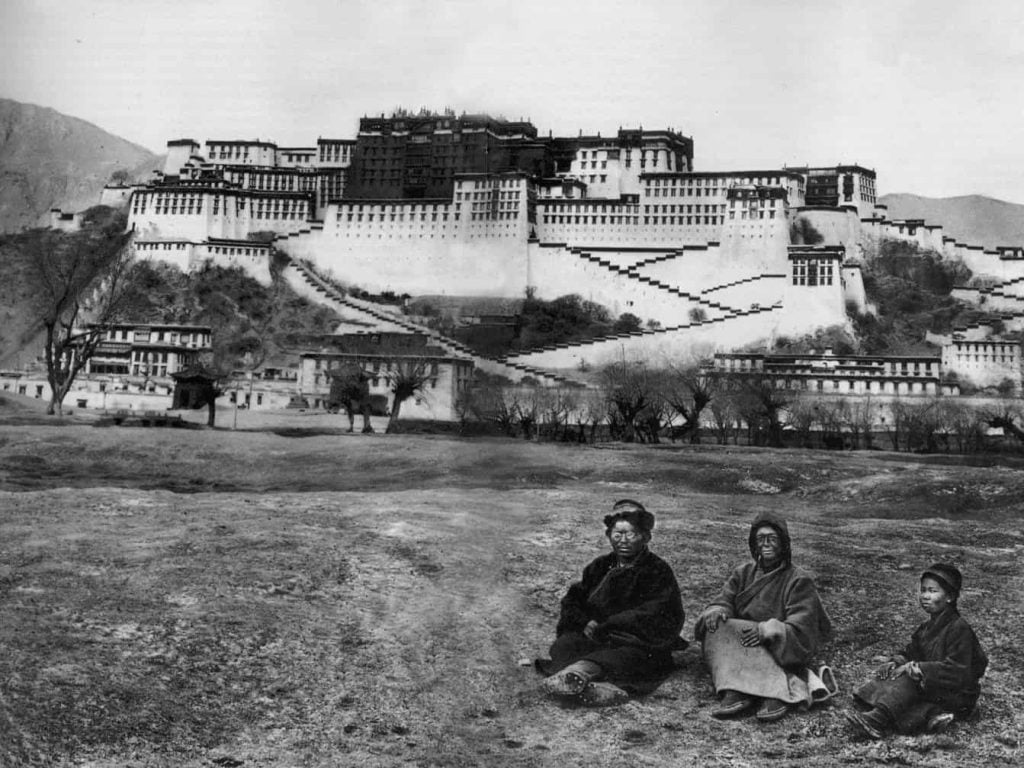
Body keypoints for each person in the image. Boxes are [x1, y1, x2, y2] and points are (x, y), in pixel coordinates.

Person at [536, 499, 685, 707]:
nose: (623, 540)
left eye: (631, 534)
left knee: (630, 658)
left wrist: (611, 625)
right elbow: (574, 599)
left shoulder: (657, 570)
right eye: (617, 534)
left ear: (645, 537)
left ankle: (576, 674)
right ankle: (593, 686)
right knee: (565, 645)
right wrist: (585, 621)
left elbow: (658, 610)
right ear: (609, 537)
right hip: (596, 636)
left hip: (635, 640)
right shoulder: (600, 566)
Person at [694, 511, 833, 722]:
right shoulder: (743, 572)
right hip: (742, 643)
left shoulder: (798, 580)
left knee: (769, 640)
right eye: (760, 539)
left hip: (776, 645)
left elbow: (802, 628)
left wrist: (768, 630)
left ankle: (775, 692)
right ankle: (737, 690)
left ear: (784, 544)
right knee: (714, 626)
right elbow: (724, 600)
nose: (766, 544)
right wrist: (718, 610)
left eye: (772, 539)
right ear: (753, 544)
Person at [846, 563, 988, 739]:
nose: (925, 597)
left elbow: (959, 671)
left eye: (932, 591)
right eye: (923, 590)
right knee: (892, 677)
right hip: (936, 687)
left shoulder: (959, 628)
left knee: (908, 681)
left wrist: (920, 668)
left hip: (957, 692)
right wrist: (896, 661)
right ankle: (932, 714)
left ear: (950, 596)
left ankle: (877, 720)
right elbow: (912, 651)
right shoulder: (926, 628)